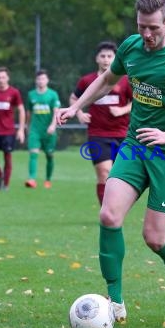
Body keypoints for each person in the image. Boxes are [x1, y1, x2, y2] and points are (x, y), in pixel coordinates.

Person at [57, 0, 165, 323]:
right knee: (109, 216)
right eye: (141, 26)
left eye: (153, 28)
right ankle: (113, 302)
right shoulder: (130, 47)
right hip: (136, 144)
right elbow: (107, 80)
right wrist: (75, 106)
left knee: (154, 238)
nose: (146, 34)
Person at [69, 41, 133, 205]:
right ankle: (106, 212)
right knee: (104, 173)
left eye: (109, 56)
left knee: (119, 176)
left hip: (122, 134)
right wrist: (80, 113)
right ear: (96, 59)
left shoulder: (125, 80)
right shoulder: (87, 81)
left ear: (115, 58)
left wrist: (122, 110)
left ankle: (116, 209)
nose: (106, 60)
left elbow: (137, 102)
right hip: (97, 135)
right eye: (102, 56)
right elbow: (74, 98)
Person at [24, 69, 61, 189]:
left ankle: (48, 179)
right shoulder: (31, 95)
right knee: (33, 153)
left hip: (48, 131)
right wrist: (27, 126)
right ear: (36, 80)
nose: (41, 81)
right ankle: (31, 179)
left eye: (43, 79)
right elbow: (28, 112)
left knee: (49, 155)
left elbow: (56, 111)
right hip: (35, 130)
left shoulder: (52, 95)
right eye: (39, 79)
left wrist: (52, 125)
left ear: (47, 80)